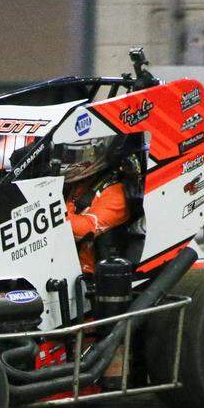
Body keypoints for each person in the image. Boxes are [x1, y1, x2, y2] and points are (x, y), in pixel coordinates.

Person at [63, 137, 134, 390]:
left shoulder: (113, 191)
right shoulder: (73, 186)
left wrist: (51, 214)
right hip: (62, 269)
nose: (69, 163)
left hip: (93, 278)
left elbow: (85, 228)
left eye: (75, 156)